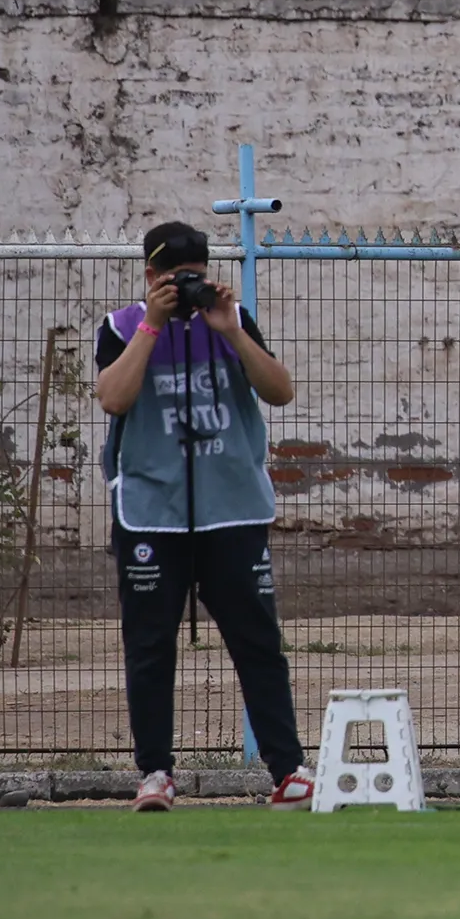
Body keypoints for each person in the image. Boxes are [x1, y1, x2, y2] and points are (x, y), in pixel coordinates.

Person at [94, 222, 311, 813]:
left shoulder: (229, 321)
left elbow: (280, 390)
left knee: (258, 641)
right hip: (151, 515)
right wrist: (153, 325)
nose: (183, 288)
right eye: (171, 278)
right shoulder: (120, 327)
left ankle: (288, 771)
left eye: (192, 276)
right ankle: (155, 774)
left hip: (232, 512)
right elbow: (113, 398)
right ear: (149, 276)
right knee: (149, 644)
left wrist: (231, 331)